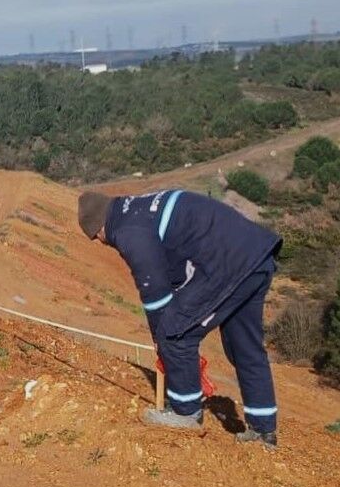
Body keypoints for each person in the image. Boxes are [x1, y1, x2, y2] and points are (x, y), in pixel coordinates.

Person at [78, 189, 281, 446]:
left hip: (227, 263)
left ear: (99, 228)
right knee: (244, 346)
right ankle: (264, 431)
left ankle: (185, 412)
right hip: (255, 253)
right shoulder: (138, 209)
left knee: (174, 332)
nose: (102, 242)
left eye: (96, 238)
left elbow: (154, 291)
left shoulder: (127, 230)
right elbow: (174, 270)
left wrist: (160, 340)